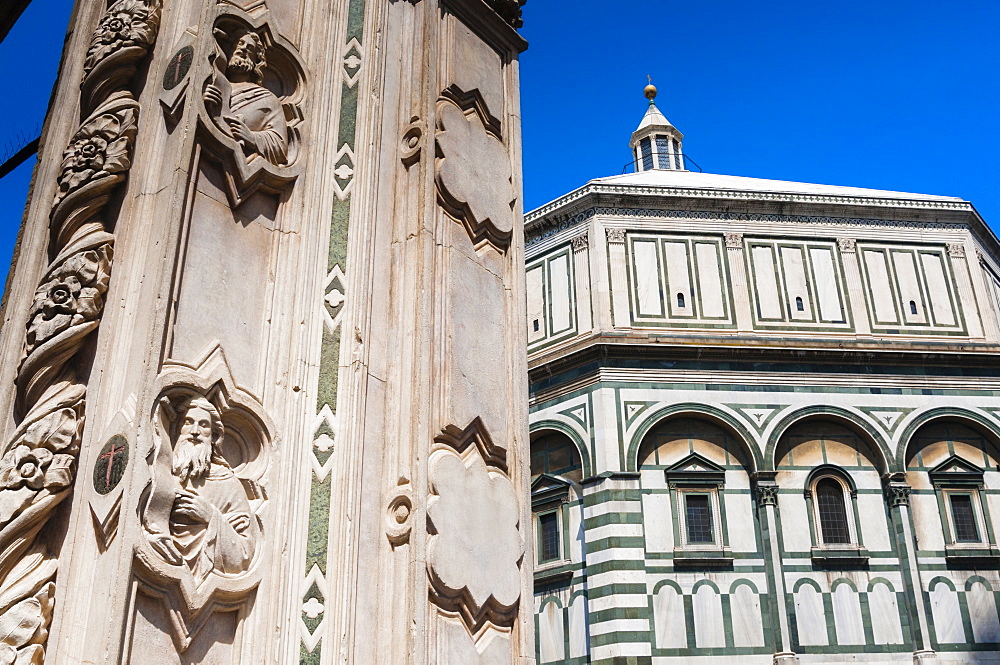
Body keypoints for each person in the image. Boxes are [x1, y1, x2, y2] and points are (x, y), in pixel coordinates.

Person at [149, 396, 257, 582]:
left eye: (204, 425)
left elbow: (244, 555)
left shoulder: (227, 483)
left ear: (214, 436)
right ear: (177, 428)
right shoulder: (159, 472)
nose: (195, 431)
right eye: (188, 422)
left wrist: (210, 516)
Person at [204, 31, 288, 165]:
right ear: (230, 50)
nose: (243, 48)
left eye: (250, 48)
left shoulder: (267, 99)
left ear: (256, 60)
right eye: (240, 44)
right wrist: (203, 101)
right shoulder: (212, 82)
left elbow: (280, 146)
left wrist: (251, 137)